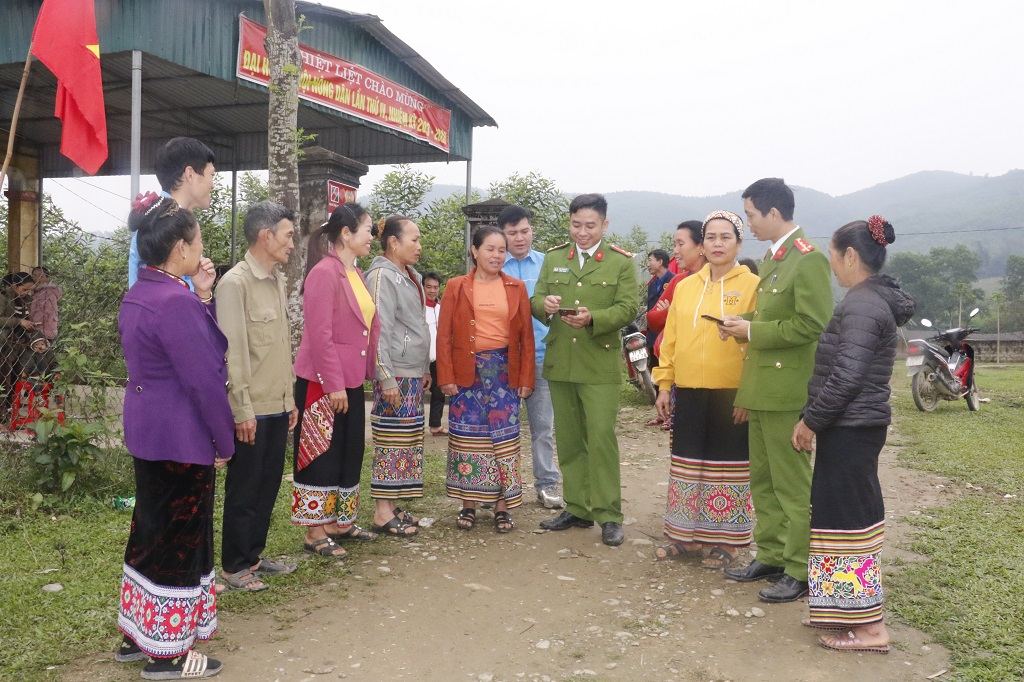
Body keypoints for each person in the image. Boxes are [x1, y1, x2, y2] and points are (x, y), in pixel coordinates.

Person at [116, 194, 233, 679]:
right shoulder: (175, 302)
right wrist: (223, 442)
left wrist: (202, 296)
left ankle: (134, 635)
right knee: (181, 539)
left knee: (150, 530)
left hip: (149, 429)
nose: (201, 248)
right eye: (198, 240)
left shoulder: (144, 292)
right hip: (182, 436)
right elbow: (205, 378)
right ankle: (166, 654)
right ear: (181, 248)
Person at [793, 216, 914, 654]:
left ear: (850, 255)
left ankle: (869, 628)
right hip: (853, 425)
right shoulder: (867, 300)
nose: (832, 265)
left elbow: (845, 378)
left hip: (851, 426)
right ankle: (843, 608)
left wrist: (810, 421)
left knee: (849, 521)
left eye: (832, 255)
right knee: (837, 518)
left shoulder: (862, 305)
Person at [719, 178, 833, 603]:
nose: (747, 223)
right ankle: (770, 553)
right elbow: (772, 316)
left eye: (750, 215)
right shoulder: (775, 259)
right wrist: (741, 322)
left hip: (788, 391)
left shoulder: (807, 260)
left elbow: (811, 325)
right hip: (762, 388)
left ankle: (801, 568)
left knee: (791, 484)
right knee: (763, 481)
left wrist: (753, 329)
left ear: (772, 213)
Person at [652, 211, 759, 568]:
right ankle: (687, 538)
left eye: (725, 237)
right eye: (710, 237)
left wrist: (748, 393)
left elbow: (758, 346)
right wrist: (664, 384)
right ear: (703, 243)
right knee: (687, 464)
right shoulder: (685, 286)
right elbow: (672, 340)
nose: (717, 243)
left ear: (739, 243)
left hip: (732, 393)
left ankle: (728, 542)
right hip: (690, 390)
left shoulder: (751, 286)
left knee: (728, 466)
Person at [532, 193, 639, 546]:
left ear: (604, 225)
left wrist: (595, 318)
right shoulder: (554, 258)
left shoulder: (621, 262)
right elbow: (536, 300)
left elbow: (627, 308)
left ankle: (609, 514)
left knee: (601, 439)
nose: (582, 232)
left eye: (590, 225)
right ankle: (578, 507)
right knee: (569, 439)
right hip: (562, 362)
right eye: (576, 224)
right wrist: (543, 306)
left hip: (598, 364)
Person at [215, 201, 299, 591]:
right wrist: (241, 410)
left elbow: (278, 346)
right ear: (266, 236)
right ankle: (234, 565)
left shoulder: (276, 280)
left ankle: (254, 556)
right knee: (245, 488)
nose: (292, 244)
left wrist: (290, 399)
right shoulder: (235, 284)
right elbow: (232, 352)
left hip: (278, 404)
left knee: (267, 486)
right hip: (251, 409)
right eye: (288, 235)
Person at [291, 203, 384, 553]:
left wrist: (367, 373)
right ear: (346, 234)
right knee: (320, 452)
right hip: (323, 383)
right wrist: (333, 384)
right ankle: (315, 531)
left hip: (351, 380)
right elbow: (319, 334)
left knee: (348, 450)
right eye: (367, 230)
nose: (372, 237)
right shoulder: (324, 273)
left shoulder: (354, 273)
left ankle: (339, 522)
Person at [436, 225, 535, 532]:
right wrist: (446, 376)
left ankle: (502, 507)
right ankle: (468, 505)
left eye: (501, 250)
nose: (496, 255)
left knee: (504, 440)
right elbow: (444, 335)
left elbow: (526, 339)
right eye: (490, 249)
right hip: (468, 372)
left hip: (505, 371)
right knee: (468, 438)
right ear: (474, 251)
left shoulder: (516, 287)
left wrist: (526, 378)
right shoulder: (456, 286)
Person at [364, 215, 431, 537]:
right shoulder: (381, 276)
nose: (419, 246)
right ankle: (381, 511)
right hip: (395, 374)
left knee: (406, 440)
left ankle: (392, 504)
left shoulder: (409, 275)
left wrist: (424, 369)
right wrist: (385, 376)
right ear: (394, 242)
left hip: (411, 373)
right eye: (414, 239)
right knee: (391, 440)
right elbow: (378, 330)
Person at [500, 204, 563, 509]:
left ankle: (547, 484)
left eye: (524, 231)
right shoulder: (495, 266)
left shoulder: (548, 264)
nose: (520, 238)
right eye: (512, 233)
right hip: (505, 359)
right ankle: (502, 486)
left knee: (543, 427)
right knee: (503, 426)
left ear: (532, 230)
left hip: (542, 356)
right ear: (503, 235)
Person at [128, 137, 216, 289]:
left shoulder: (164, 217)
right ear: (190, 174)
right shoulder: (161, 224)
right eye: (212, 175)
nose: (212, 185)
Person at [645, 220, 707, 429]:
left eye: (681, 244)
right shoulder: (679, 282)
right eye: (675, 244)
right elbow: (653, 319)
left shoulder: (718, 282)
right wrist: (674, 310)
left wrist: (672, 309)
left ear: (701, 247)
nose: (675, 251)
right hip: (677, 370)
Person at [0, 272, 37, 418]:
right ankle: (2, 415)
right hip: (4, 345)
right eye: (24, 289)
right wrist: (18, 322)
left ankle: (10, 411)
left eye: (29, 290)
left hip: (18, 343)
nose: (27, 293)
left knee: (16, 378)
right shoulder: (3, 297)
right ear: (15, 286)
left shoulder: (26, 300)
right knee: (4, 379)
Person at [423, 271, 448, 437]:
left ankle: (435, 425)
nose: (432, 291)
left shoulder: (441, 309)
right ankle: (414, 425)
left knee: (439, 392)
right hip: (420, 358)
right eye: (428, 287)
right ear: (422, 287)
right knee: (418, 391)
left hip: (438, 358)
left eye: (435, 287)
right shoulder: (417, 308)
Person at [644, 248, 673, 361]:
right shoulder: (652, 284)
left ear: (660, 262)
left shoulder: (675, 281)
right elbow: (650, 312)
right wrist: (648, 341)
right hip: (653, 339)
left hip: (667, 337)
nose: (647, 264)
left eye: (650, 260)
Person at [30, 265, 61, 341]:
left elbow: (44, 312)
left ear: (47, 279)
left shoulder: (46, 292)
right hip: (45, 329)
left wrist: (33, 324)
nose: (36, 278)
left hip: (42, 330)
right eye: (34, 275)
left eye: (40, 276)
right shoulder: (38, 291)